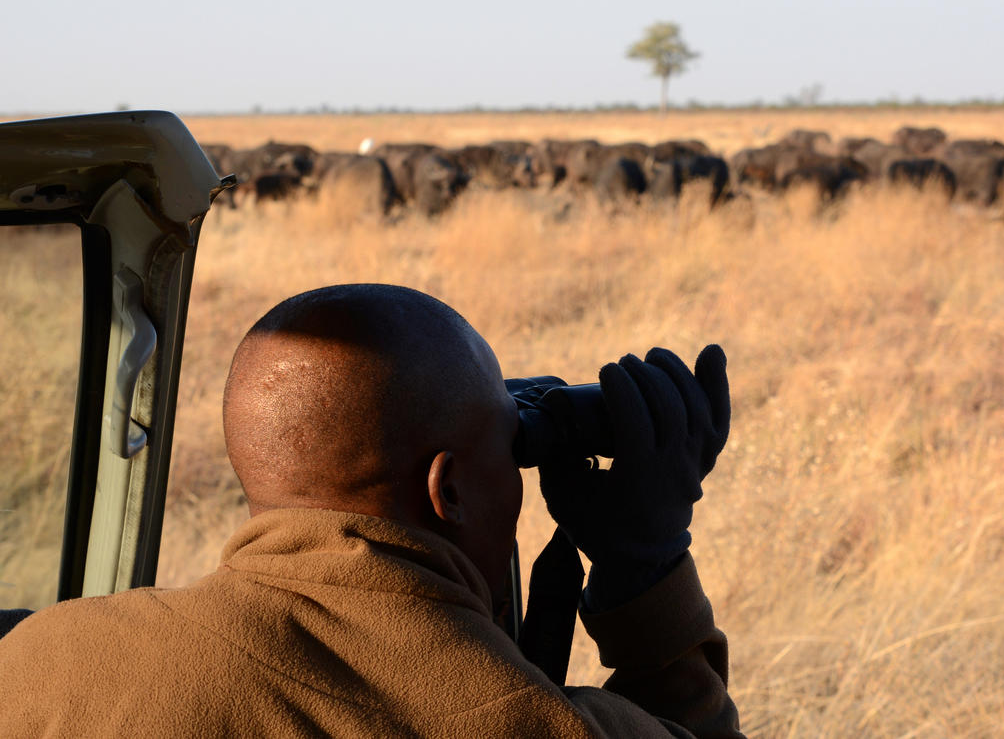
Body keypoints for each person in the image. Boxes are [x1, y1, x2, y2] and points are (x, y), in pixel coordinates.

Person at [0, 283, 742, 737]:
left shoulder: (44, 660)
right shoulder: (526, 720)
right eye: (511, 449)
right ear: (449, 491)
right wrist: (646, 562)